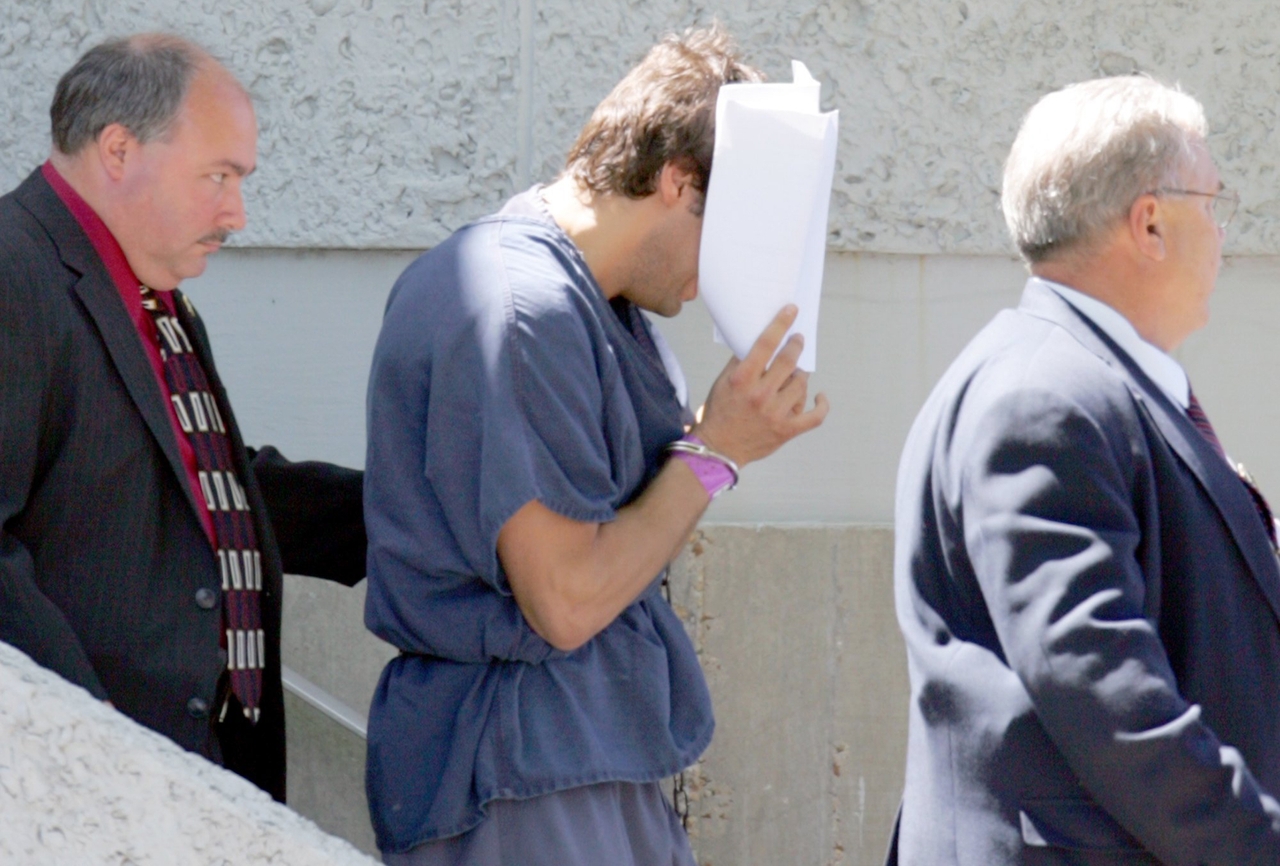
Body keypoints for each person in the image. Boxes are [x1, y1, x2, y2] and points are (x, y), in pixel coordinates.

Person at [363, 24, 829, 865]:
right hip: (522, 772)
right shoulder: (523, 309)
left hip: (563, 758)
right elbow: (567, 601)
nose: (733, 275)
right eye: (737, 236)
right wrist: (715, 451)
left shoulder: (582, 299)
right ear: (678, 183)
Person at [889, 75, 1280, 865]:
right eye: (1213, 203)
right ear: (1150, 223)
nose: (1224, 233)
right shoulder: (1045, 397)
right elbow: (1100, 688)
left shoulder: (1083, 380)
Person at [0, 34, 366, 802]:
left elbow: (201, 486)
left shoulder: (148, 287)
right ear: (119, 150)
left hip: (195, 764)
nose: (236, 211)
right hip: (87, 778)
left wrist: (404, 509)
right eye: (218, 176)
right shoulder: (13, 271)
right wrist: (90, 735)